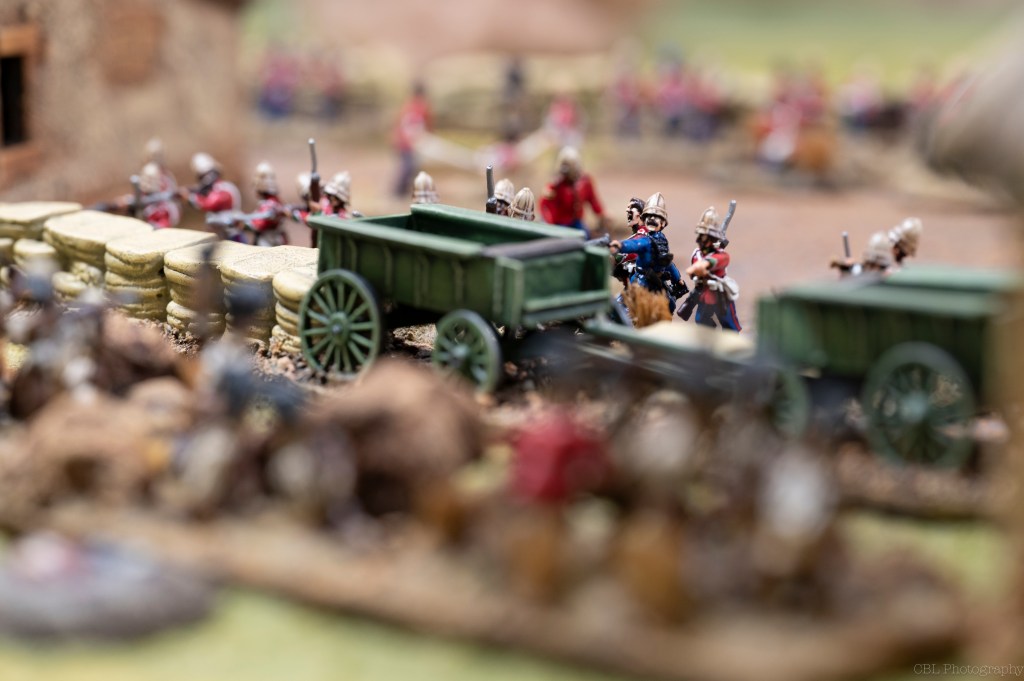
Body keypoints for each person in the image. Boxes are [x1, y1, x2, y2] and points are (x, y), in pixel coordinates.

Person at [608, 192, 685, 314]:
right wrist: (620, 246)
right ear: (644, 220)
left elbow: (668, 263)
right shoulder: (645, 240)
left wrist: (677, 279)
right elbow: (634, 245)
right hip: (641, 279)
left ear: (663, 223)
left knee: (669, 305)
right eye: (649, 217)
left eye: (656, 218)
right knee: (622, 306)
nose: (652, 220)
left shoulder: (662, 240)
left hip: (656, 282)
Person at [678, 206, 741, 331]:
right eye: (700, 236)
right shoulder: (697, 254)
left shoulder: (721, 255)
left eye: (704, 237)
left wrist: (703, 265)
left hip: (720, 295)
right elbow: (695, 271)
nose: (700, 240)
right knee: (701, 320)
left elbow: (712, 262)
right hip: (703, 292)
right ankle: (710, 337)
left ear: (711, 239)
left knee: (729, 324)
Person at [538, 146, 605, 238]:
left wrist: (601, 214)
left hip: (576, 221)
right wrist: (550, 224)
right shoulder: (556, 185)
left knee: (585, 235)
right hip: (560, 223)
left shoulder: (585, 182)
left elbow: (593, 200)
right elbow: (545, 206)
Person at [393, 81, 432, 198]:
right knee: (408, 166)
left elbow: (427, 124)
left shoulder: (420, 107)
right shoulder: (411, 107)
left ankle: (409, 190)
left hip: (414, 142)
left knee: (413, 167)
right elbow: (403, 125)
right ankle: (398, 191)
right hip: (406, 142)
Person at [137, 162, 180, 229]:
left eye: (150, 179)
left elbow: (166, 219)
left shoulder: (164, 195)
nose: (147, 183)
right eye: (145, 178)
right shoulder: (141, 194)